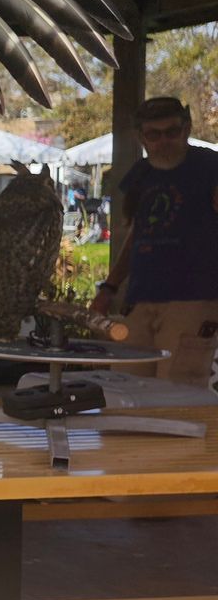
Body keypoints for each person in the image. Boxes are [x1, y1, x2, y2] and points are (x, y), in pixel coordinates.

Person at [93, 95, 218, 388]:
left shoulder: (211, 166)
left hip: (194, 300)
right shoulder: (140, 174)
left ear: (186, 129)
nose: (164, 141)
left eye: (172, 132)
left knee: (178, 391)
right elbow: (137, 235)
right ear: (141, 137)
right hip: (139, 299)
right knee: (124, 386)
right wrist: (109, 288)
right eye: (154, 134)